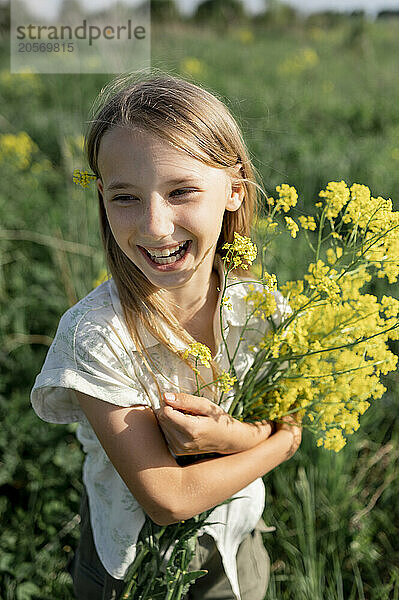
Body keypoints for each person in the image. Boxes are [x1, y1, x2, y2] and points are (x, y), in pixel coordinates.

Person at [30, 71, 302, 600]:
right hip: (129, 564)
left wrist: (235, 438)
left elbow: (282, 415)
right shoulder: (96, 334)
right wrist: (283, 444)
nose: (155, 226)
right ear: (101, 197)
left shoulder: (263, 309)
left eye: (181, 191)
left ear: (234, 191)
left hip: (234, 543)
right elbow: (168, 500)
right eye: (125, 197)